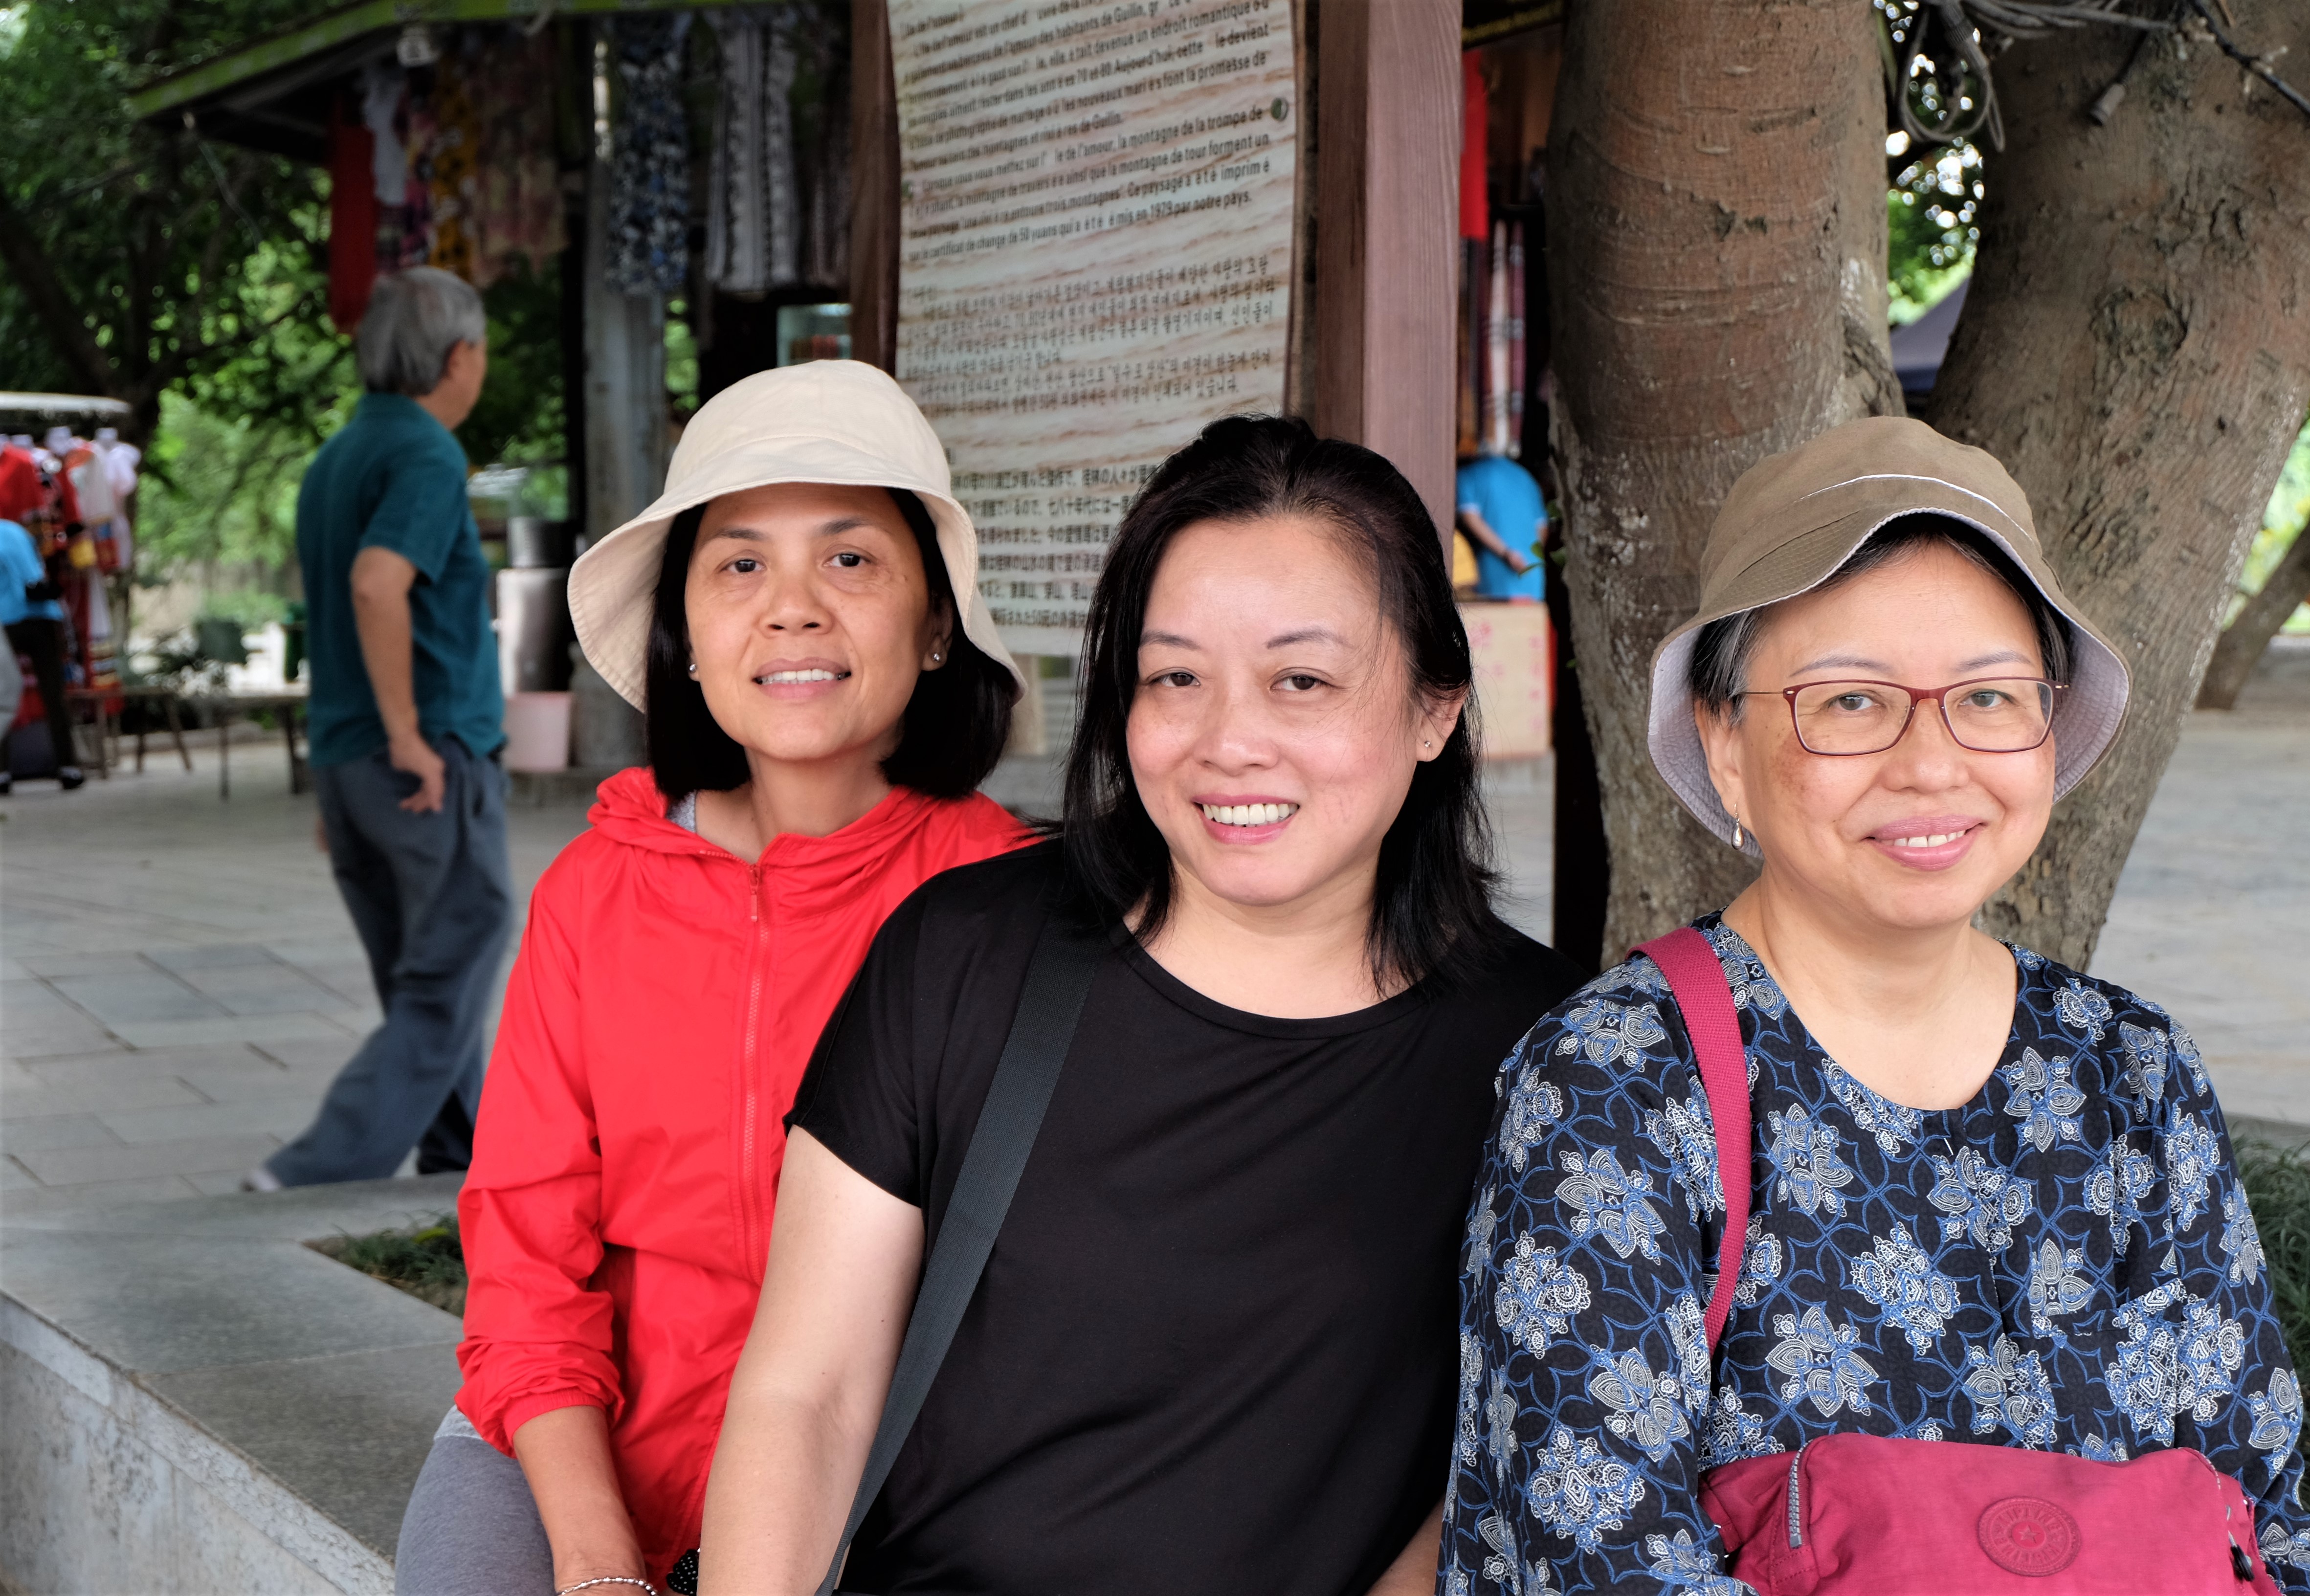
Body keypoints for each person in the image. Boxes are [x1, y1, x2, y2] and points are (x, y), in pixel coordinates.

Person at [1444, 418, 2310, 1593]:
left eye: (1988, 696)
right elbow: (1596, 1560)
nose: (1929, 763)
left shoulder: (2132, 1073)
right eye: (1852, 701)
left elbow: (2261, 1526)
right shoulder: (1616, 1084)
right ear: (1724, 742)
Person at [699, 414, 1585, 1594]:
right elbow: (805, 1396)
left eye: (1301, 680)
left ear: (1435, 707)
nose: (1230, 742)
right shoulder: (963, 956)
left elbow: (1494, 1478)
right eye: (1176, 678)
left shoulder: (1552, 1057)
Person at [393, 362, 1029, 1596]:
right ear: (684, 636)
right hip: (577, 1431)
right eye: (740, 564)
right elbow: (526, 1269)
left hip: (879, 1467)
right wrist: (595, 1564)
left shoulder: (1006, 903)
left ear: (936, 623)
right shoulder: (592, 892)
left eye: (851, 559)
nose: (791, 610)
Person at [248, 266, 508, 1191]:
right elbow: (374, 585)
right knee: (457, 952)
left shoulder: (338, 457)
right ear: (459, 355)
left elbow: (331, 611)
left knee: (420, 968)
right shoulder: (427, 455)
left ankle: (463, 1153)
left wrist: (342, 770)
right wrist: (405, 736)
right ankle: (317, 1166)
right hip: (422, 752)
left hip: (349, 758)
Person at [0, 511, 82, 791]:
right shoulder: (16, 531)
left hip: (7, 619)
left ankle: (2, 772)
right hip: (43, 615)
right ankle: (68, 766)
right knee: (54, 694)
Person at [1455, 450, 1546, 602]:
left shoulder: (1468, 474)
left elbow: (1470, 518)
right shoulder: (1526, 478)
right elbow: (1542, 528)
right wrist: (1527, 557)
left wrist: (1507, 554)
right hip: (1532, 579)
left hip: (1494, 577)